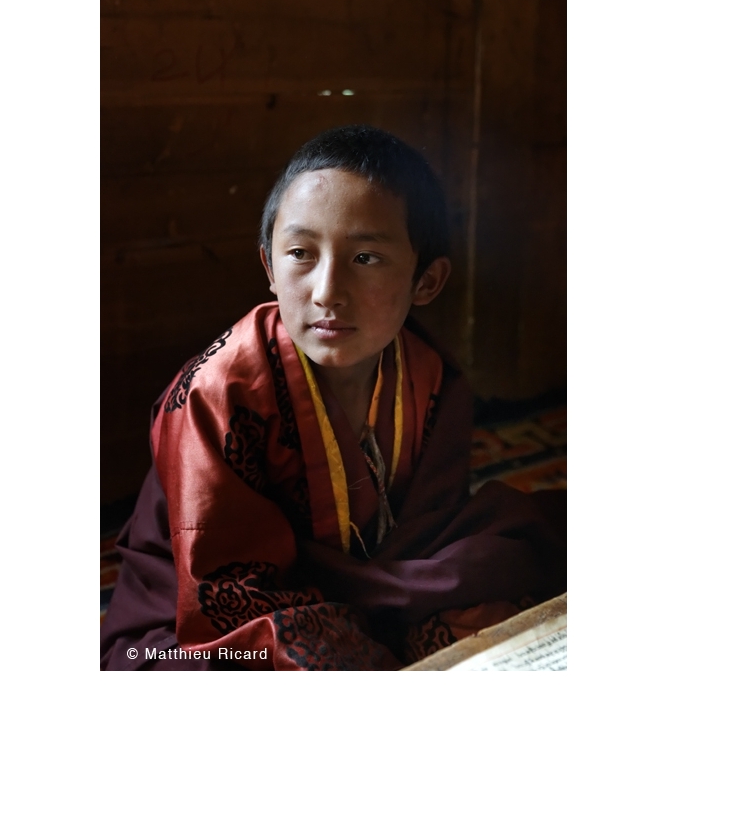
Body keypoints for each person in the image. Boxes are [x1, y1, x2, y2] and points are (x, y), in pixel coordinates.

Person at [100, 125, 565, 670]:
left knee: (507, 591)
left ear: (426, 281)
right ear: (270, 268)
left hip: (378, 587)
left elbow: (429, 535)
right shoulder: (216, 396)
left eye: (365, 258)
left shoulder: (429, 375)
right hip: (200, 627)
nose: (326, 292)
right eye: (301, 253)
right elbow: (227, 600)